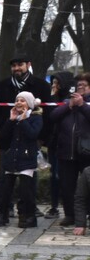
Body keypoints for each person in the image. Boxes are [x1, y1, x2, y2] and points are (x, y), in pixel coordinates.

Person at [0, 91, 43, 228]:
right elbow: (3, 141)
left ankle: (28, 216)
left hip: (26, 158)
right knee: (5, 190)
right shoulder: (13, 119)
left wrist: (24, 120)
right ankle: (2, 215)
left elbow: (33, 135)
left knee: (27, 191)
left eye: (23, 100)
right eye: (17, 100)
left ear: (29, 104)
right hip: (12, 158)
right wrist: (10, 121)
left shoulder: (35, 118)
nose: (19, 103)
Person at [49, 72, 85, 225]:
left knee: (86, 186)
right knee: (67, 185)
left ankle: (84, 215)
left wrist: (82, 105)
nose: (80, 88)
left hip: (85, 152)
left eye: (84, 86)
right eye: (79, 86)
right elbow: (53, 116)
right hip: (66, 151)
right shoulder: (66, 102)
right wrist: (69, 106)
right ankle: (69, 214)